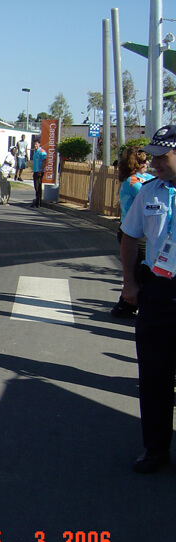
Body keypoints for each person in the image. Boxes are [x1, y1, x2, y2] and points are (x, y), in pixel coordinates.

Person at [119, 125, 176, 473]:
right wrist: (129, 284)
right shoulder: (150, 192)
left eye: (161, 156)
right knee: (154, 375)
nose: (153, 163)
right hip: (159, 290)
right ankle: (155, 448)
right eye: (151, 156)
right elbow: (129, 236)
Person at [111, 146, 153, 319]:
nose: (148, 163)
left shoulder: (146, 177)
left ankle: (127, 305)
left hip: (144, 232)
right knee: (140, 270)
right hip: (131, 232)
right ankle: (125, 306)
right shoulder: (132, 181)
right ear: (135, 163)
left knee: (140, 270)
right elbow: (149, 191)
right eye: (143, 161)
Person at [31, 140, 47, 208]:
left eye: (36, 144)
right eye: (34, 144)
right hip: (35, 171)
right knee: (36, 187)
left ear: (39, 144)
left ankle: (39, 202)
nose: (35, 145)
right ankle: (37, 202)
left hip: (39, 171)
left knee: (38, 187)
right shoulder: (35, 152)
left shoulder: (42, 151)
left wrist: (41, 170)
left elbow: (44, 161)